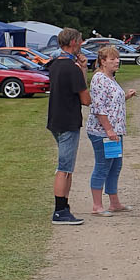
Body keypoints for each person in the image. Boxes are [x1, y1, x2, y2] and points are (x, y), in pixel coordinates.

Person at [46, 27, 92, 225]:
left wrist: (82, 68)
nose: (81, 44)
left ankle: (65, 206)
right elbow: (86, 99)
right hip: (68, 121)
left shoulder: (55, 64)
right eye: (80, 41)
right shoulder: (70, 68)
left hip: (56, 119)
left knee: (68, 167)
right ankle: (59, 210)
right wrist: (81, 70)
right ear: (73, 43)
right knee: (64, 168)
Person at [86, 45, 138, 215]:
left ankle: (114, 203)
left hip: (115, 131)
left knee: (115, 165)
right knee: (103, 165)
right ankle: (97, 205)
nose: (117, 61)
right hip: (103, 132)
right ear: (102, 61)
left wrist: (126, 96)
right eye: (112, 59)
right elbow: (99, 108)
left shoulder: (110, 78)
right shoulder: (99, 79)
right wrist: (108, 130)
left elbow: (112, 102)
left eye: (117, 58)